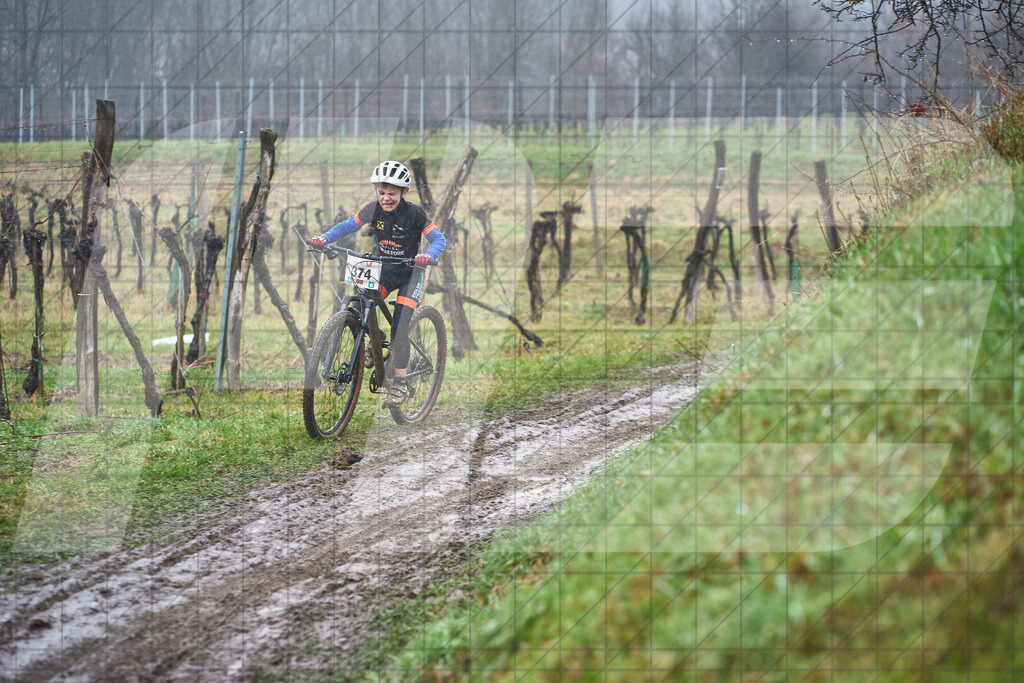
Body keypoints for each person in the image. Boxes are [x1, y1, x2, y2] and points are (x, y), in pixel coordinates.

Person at [310, 160, 446, 406]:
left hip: (410, 273)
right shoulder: (373, 210)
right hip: (384, 269)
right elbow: (348, 226)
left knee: (400, 327)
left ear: (404, 192)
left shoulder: (414, 214)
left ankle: (400, 384)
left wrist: (428, 255)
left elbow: (438, 239)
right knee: (361, 303)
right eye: (382, 192)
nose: (386, 198)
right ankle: (374, 342)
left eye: (392, 193)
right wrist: (325, 238)